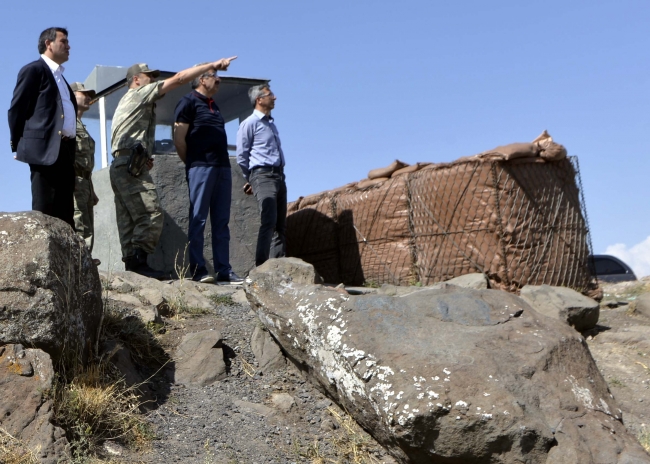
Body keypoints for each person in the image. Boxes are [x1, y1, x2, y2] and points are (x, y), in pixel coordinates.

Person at [110, 57, 236, 279]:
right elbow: (178, 79)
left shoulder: (129, 101)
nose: (154, 82)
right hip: (129, 165)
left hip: (124, 163)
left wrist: (142, 155)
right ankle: (139, 262)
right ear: (136, 80)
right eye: (150, 77)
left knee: (128, 219)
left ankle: (134, 265)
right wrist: (211, 65)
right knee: (151, 213)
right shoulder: (139, 93)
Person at [173, 66, 244, 285]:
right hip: (200, 167)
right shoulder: (188, 102)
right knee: (198, 219)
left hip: (222, 168)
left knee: (221, 221)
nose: (219, 80)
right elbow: (179, 140)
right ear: (202, 79)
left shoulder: (215, 106)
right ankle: (198, 270)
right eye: (215, 76)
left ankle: (224, 270)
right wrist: (193, 164)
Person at [8, 27, 77, 228]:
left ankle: (69, 258)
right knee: (45, 208)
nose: (68, 46)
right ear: (49, 43)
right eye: (63, 41)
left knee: (66, 213)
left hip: (66, 151)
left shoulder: (61, 78)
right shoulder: (33, 70)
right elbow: (17, 109)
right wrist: (19, 144)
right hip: (43, 149)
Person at [236, 84, 287, 267]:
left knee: (280, 224)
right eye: (270, 94)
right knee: (269, 221)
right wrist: (250, 178)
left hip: (279, 176)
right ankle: (262, 267)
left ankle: (280, 266)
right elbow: (242, 156)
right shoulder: (249, 123)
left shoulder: (270, 124)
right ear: (259, 99)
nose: (274, 98)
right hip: (263, 175)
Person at [70, 82, 98, 253]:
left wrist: (92, 189)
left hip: (85, 182)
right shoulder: (66, 122)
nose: (89, 98)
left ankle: (86, 264)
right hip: (74, 180)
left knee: (87, 227)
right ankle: (79, 268)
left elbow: (86, 163)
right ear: (72, 96)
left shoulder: (80, 125)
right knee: (78, 225)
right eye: (84, 93)